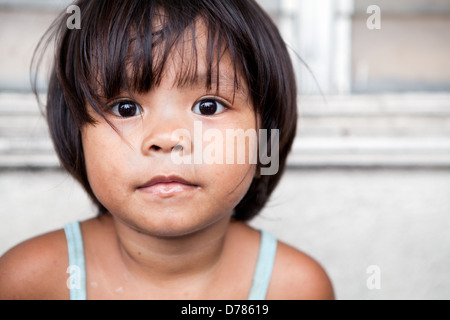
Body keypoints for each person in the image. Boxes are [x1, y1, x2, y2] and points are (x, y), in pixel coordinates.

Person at [0, 0, 334, 300]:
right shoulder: (31, 280)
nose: (166, 138)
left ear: (265, 142)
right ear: (77, 137)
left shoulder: (294, 287)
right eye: (126, 109)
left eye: (208, 106)